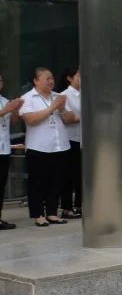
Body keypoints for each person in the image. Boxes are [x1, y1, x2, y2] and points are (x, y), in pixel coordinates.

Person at [20, 67, 70, 226]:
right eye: (47, 78)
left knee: (56, 181)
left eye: (52, 78)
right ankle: (38, 214)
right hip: (38, 147)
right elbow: (30, 120)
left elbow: (69, 120)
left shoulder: (58, 97)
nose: (51, 81)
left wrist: (61, 109)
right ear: (35, 80)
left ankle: (52, 212)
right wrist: (52, 108)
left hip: (59, 145)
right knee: (37, 182)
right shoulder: (28, 98)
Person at [55, 66, 82, 220]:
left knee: (82, 175)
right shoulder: (64, 96)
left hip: (84, 139)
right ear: (69, 78)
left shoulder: (87, 94)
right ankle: (66, 207)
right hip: (70, 139)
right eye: (79, 75)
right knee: (69, 175)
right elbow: (69, 119)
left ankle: (80, 205)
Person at [0, 74, 23, 229]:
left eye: (1, 80)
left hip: (4, 148)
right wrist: (5, 110)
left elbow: (13, 122)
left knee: (1, 184)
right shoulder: (5, 104)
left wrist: (15, 110)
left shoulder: (3, 100)